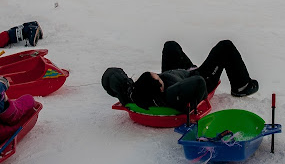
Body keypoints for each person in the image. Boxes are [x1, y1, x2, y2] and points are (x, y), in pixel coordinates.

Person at [102, 40, 259, 112]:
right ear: (161, 88)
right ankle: (242, 86)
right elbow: (198, 83)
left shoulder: (134, 92)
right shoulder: (172, 94)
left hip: (179, 74)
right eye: (157, 77)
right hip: (199, 77)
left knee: (170, 46)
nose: (157, 75)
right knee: (225, 47)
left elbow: (111, 75)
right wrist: (194, 75)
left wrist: (123, 89)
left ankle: (185, 69)